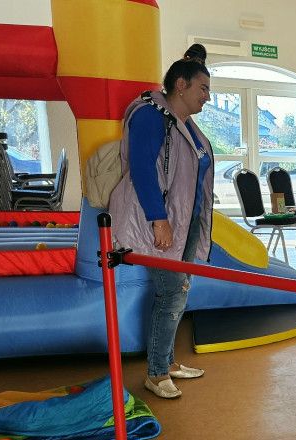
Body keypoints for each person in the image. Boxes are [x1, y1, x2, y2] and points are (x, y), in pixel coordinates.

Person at [108, 44, 214, 399]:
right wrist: (159, 220)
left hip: (185, 221)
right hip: (159, 221)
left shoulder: (185, 125)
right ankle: (156, 373)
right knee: (171, 292)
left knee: (178, 292)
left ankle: (166, 362)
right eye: (203, 88)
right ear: (180, 85)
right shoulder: (150, 115)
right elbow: (142, 170)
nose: (207, 97)